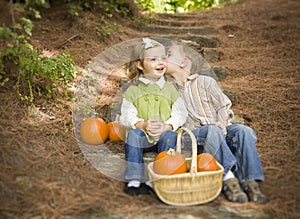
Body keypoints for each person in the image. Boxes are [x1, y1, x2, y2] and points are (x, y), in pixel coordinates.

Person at [165, 41, 267, 204]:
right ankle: (228, 178)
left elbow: (223, 106)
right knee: (212, 130)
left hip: (219, 129)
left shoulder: (206, 82)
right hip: (192, 136)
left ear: (183, 62)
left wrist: (222, 122)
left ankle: (250, 181)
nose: (164, 58)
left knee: (243, 131)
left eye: (169, 55)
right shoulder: (169, 89)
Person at [119, 38, 188, 196]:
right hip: (143, 135)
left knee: (171, 136)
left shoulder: (171, 90)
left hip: (164, 135)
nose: (160, 62)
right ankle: (134, 179)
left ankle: (159, 176)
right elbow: (126, 114)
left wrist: (168, 126)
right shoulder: (132, 91)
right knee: (134, 135)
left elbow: (180, 112)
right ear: (140, 65)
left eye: (163, 58)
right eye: (153, 59)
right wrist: (141, 125)